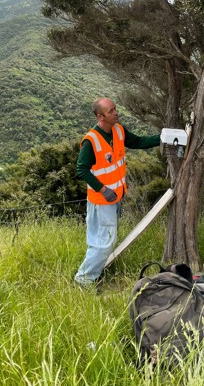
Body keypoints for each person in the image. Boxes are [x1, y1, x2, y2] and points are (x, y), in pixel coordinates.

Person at [74, 97, 160, 287]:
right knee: (103, 243)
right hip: (102, 200)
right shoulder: (91, 141)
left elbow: (138, 141)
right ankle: (84, 281)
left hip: (115, 198)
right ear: (100, 116)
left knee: (103, 240)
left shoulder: (118, 130)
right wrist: (104, 190)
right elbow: (81, 169)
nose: (116, 113)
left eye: (115, 109)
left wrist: (162, 139)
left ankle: (89, 276)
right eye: (111, 111)